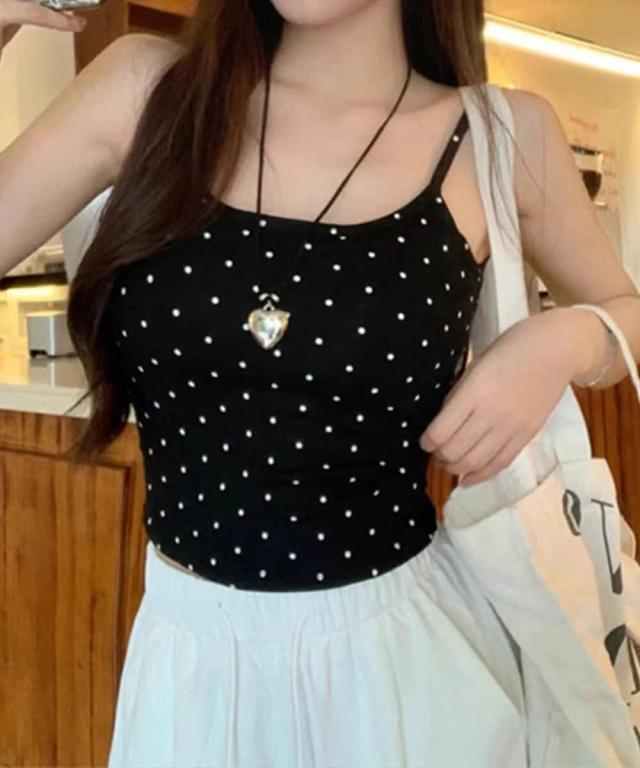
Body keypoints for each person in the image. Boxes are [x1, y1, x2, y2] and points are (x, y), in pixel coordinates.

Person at [2, 1, 640, 765]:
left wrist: (562, 342)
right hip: (186, 669)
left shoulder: (500, 136)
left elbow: (627, 313)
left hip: (404, 676)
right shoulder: (147, 90)